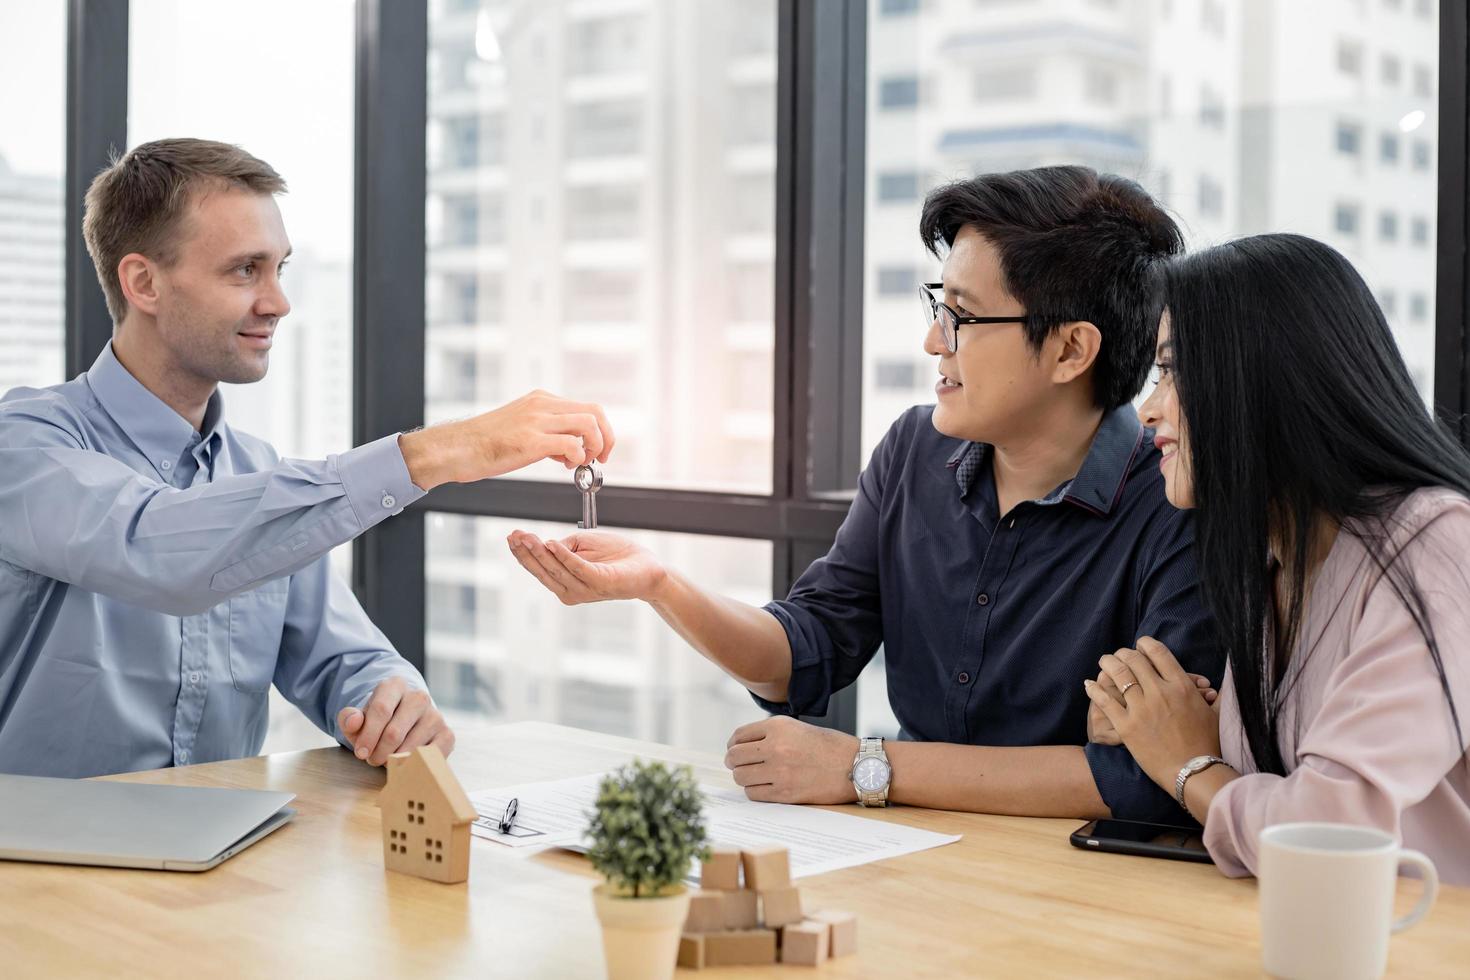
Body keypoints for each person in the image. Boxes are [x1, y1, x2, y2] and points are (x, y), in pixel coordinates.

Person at [508, 166, 1221, 820]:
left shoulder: (1177, 499)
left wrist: (865, 767)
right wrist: (658, 584)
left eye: (962, 318)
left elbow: (1151, 772)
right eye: (938, 305)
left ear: (1071, 350)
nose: (933, 342)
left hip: (1081, 883)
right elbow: (809, 649)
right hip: (908, 857)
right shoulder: (914, 451)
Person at [0, 138, 615, 779]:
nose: (278, 302)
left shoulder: (256, 473)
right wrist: (438, 451)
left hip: (221, 860)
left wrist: (387, 700)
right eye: (245, 270)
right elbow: (157, 547)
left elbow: (341, 658)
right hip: (34, 869)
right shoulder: (26, 445)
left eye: (280, 269)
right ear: (144, 283)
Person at [1084, 233, 1470, 884]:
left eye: (1172, 371)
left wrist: (1187, 766)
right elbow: (1280, 788)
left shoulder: (1434, 543)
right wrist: (1150, 721)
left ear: (1259, 373)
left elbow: (1329, 835)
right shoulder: (1273, 560)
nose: (1148, 409)